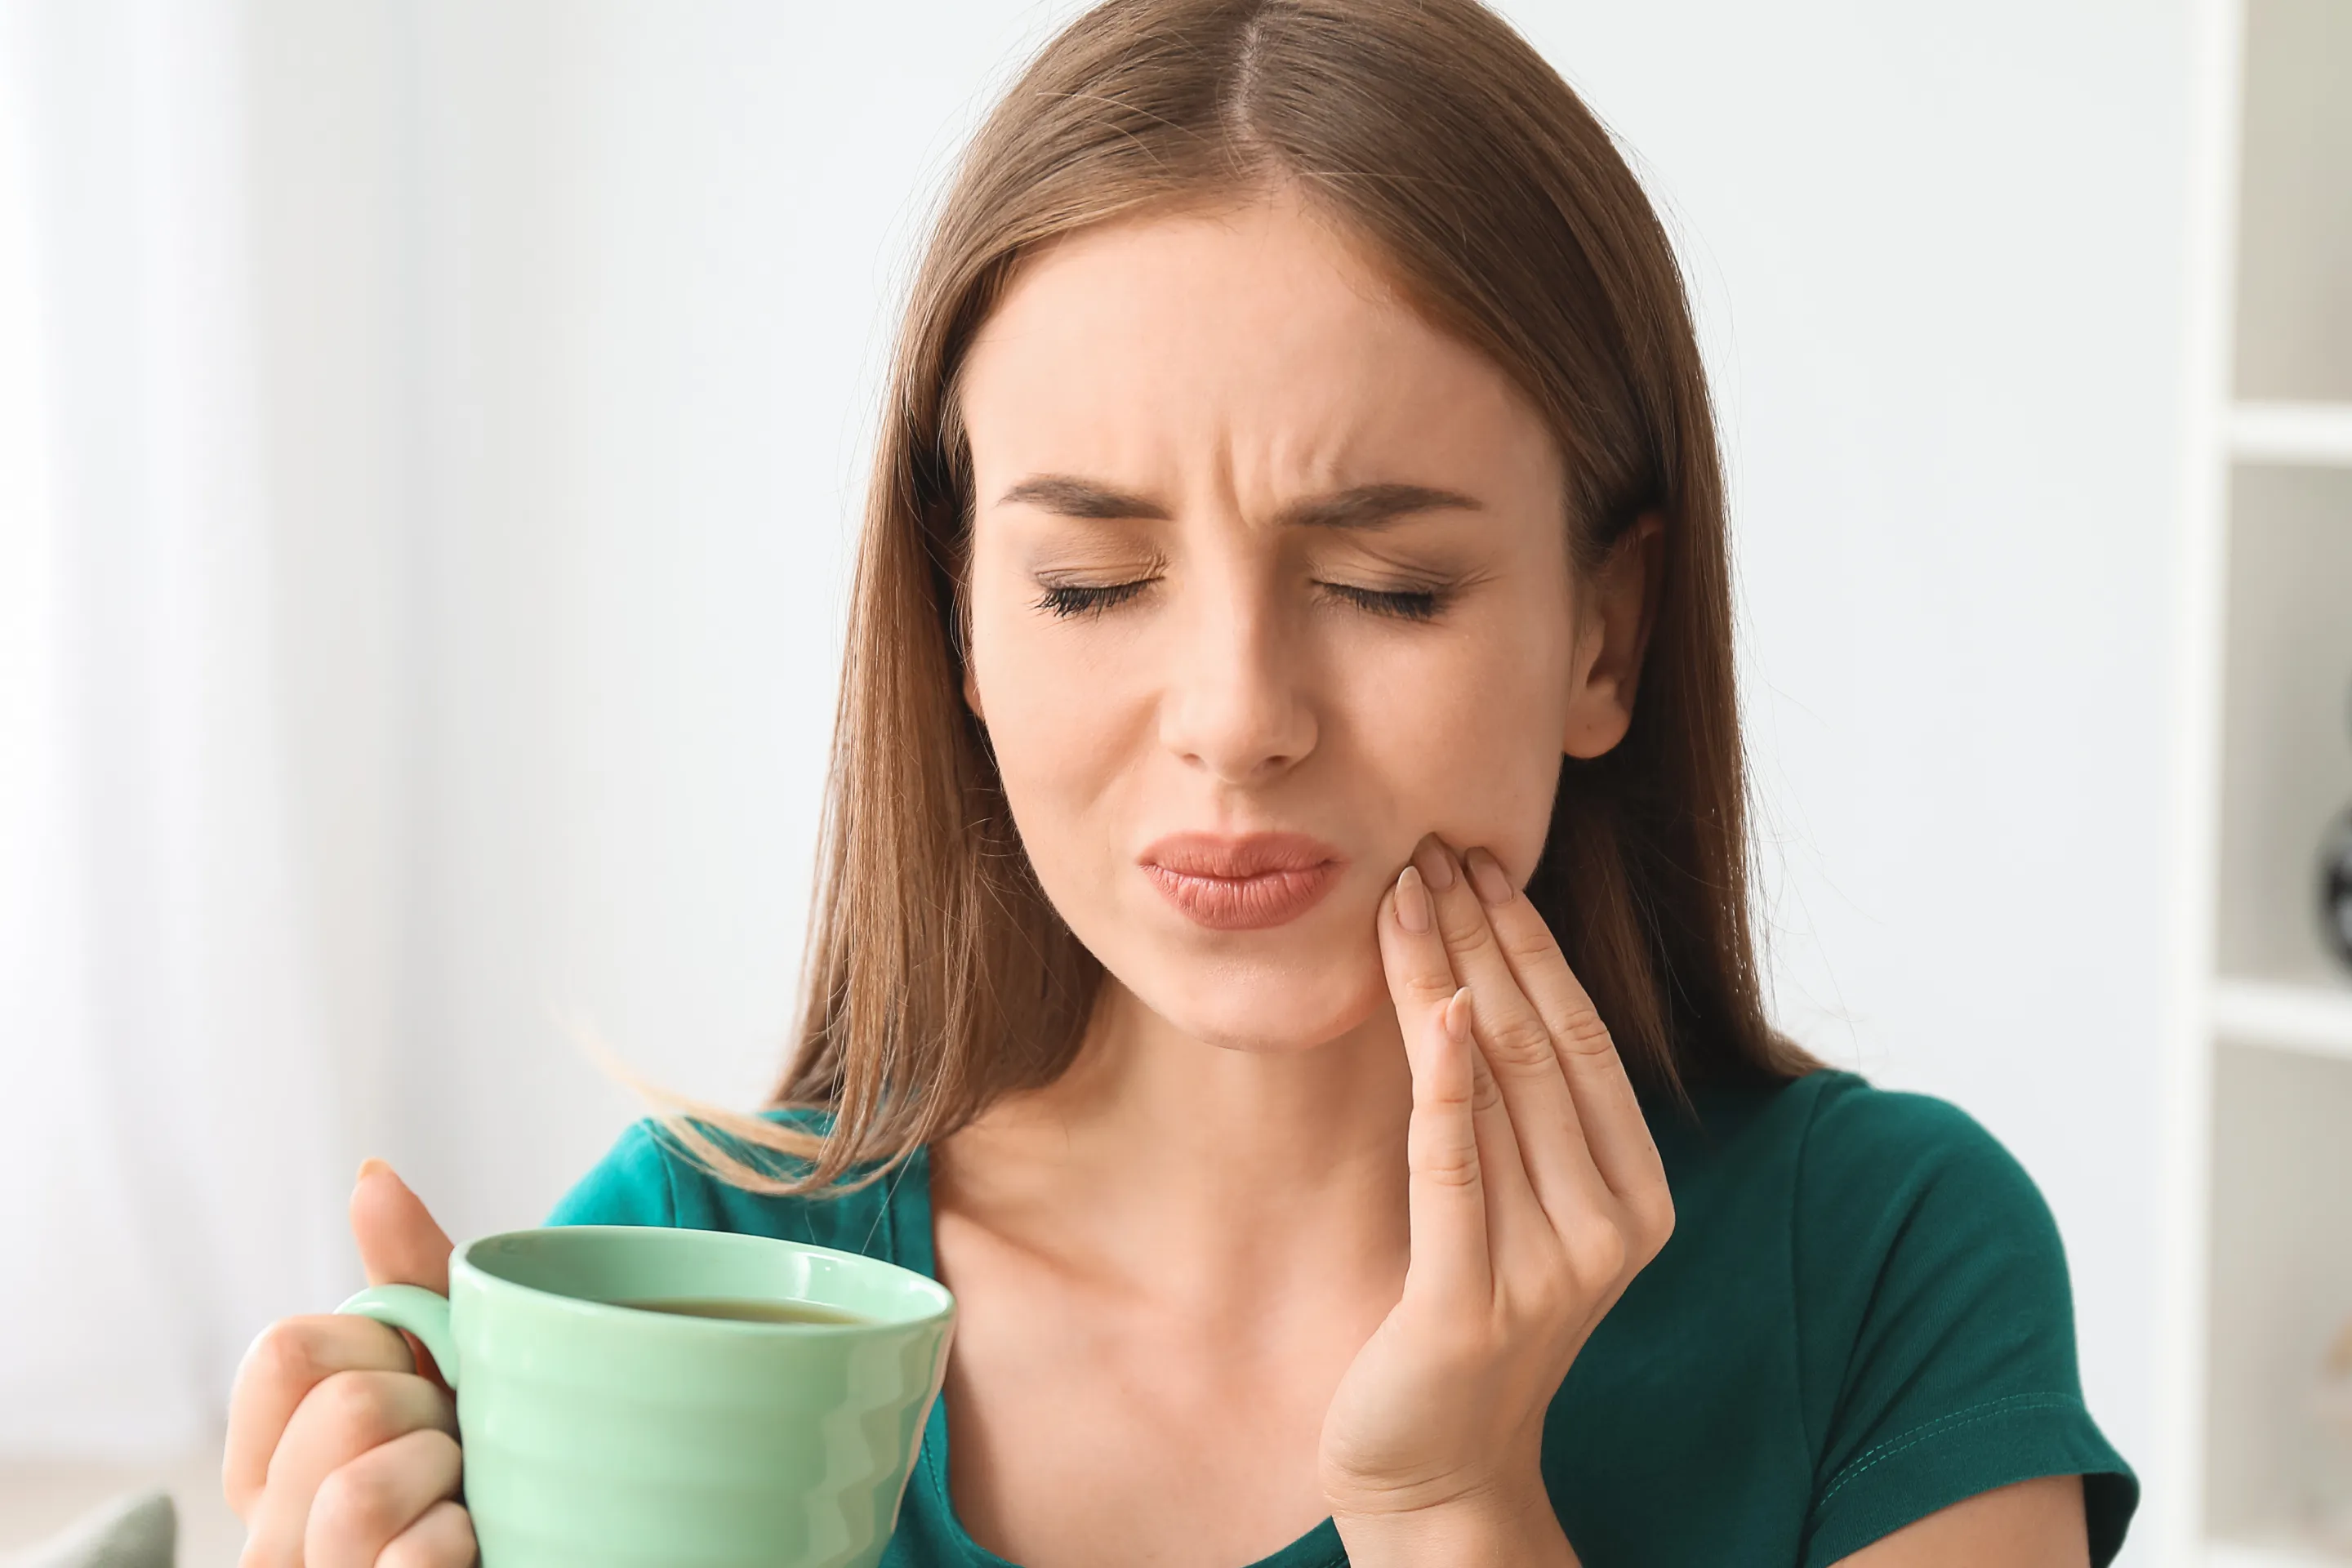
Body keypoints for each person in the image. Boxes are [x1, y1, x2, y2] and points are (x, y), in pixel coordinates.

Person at [221, 2, 2140, 1564]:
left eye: (1388, 584)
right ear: (964, 631)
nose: (1236, 717)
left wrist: (1456, 1505)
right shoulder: (708, 1281)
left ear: (1603, 638)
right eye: (1092, 584)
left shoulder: (1887, 1269)